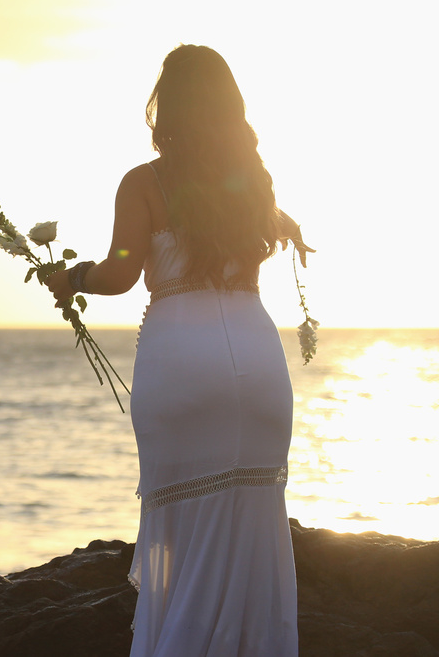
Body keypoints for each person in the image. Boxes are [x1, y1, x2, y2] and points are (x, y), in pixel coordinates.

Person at [46, 45, 312, 657]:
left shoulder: (144, 182)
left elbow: (120, 270)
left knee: (184, 529)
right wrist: (290, 226)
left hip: (183, 368)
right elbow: (275, 218)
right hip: (259, 364)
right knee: (251, 523)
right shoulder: (249, 185)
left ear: (167, 105)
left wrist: (73, 276)